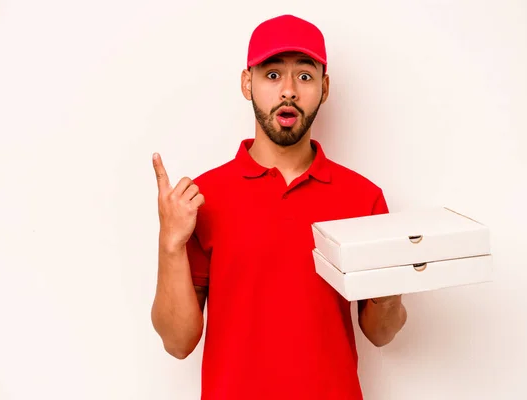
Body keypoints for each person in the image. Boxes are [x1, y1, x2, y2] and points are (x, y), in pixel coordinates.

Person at [150, 14, 407, 400]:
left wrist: (391, 288)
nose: (288, 90)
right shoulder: (204, 197)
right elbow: (177, 342)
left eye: (304, 76)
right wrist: (169, 244)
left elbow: (381, 333)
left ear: (324, 87)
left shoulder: (363, 198)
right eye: (272, 75)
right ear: (246, 82)